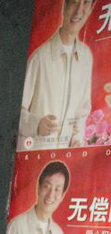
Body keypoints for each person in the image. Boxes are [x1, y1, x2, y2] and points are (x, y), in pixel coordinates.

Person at [18, 0, 95, 150]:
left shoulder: (86, 57)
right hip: (36, 153)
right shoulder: (39, 58)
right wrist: (36, 124)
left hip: (65, 157)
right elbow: (15, 112)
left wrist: (77, 138)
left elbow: (82, 111)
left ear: (91, 8)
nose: (79, 11)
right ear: (64, 6)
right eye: (74, 3)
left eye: (85, 3)